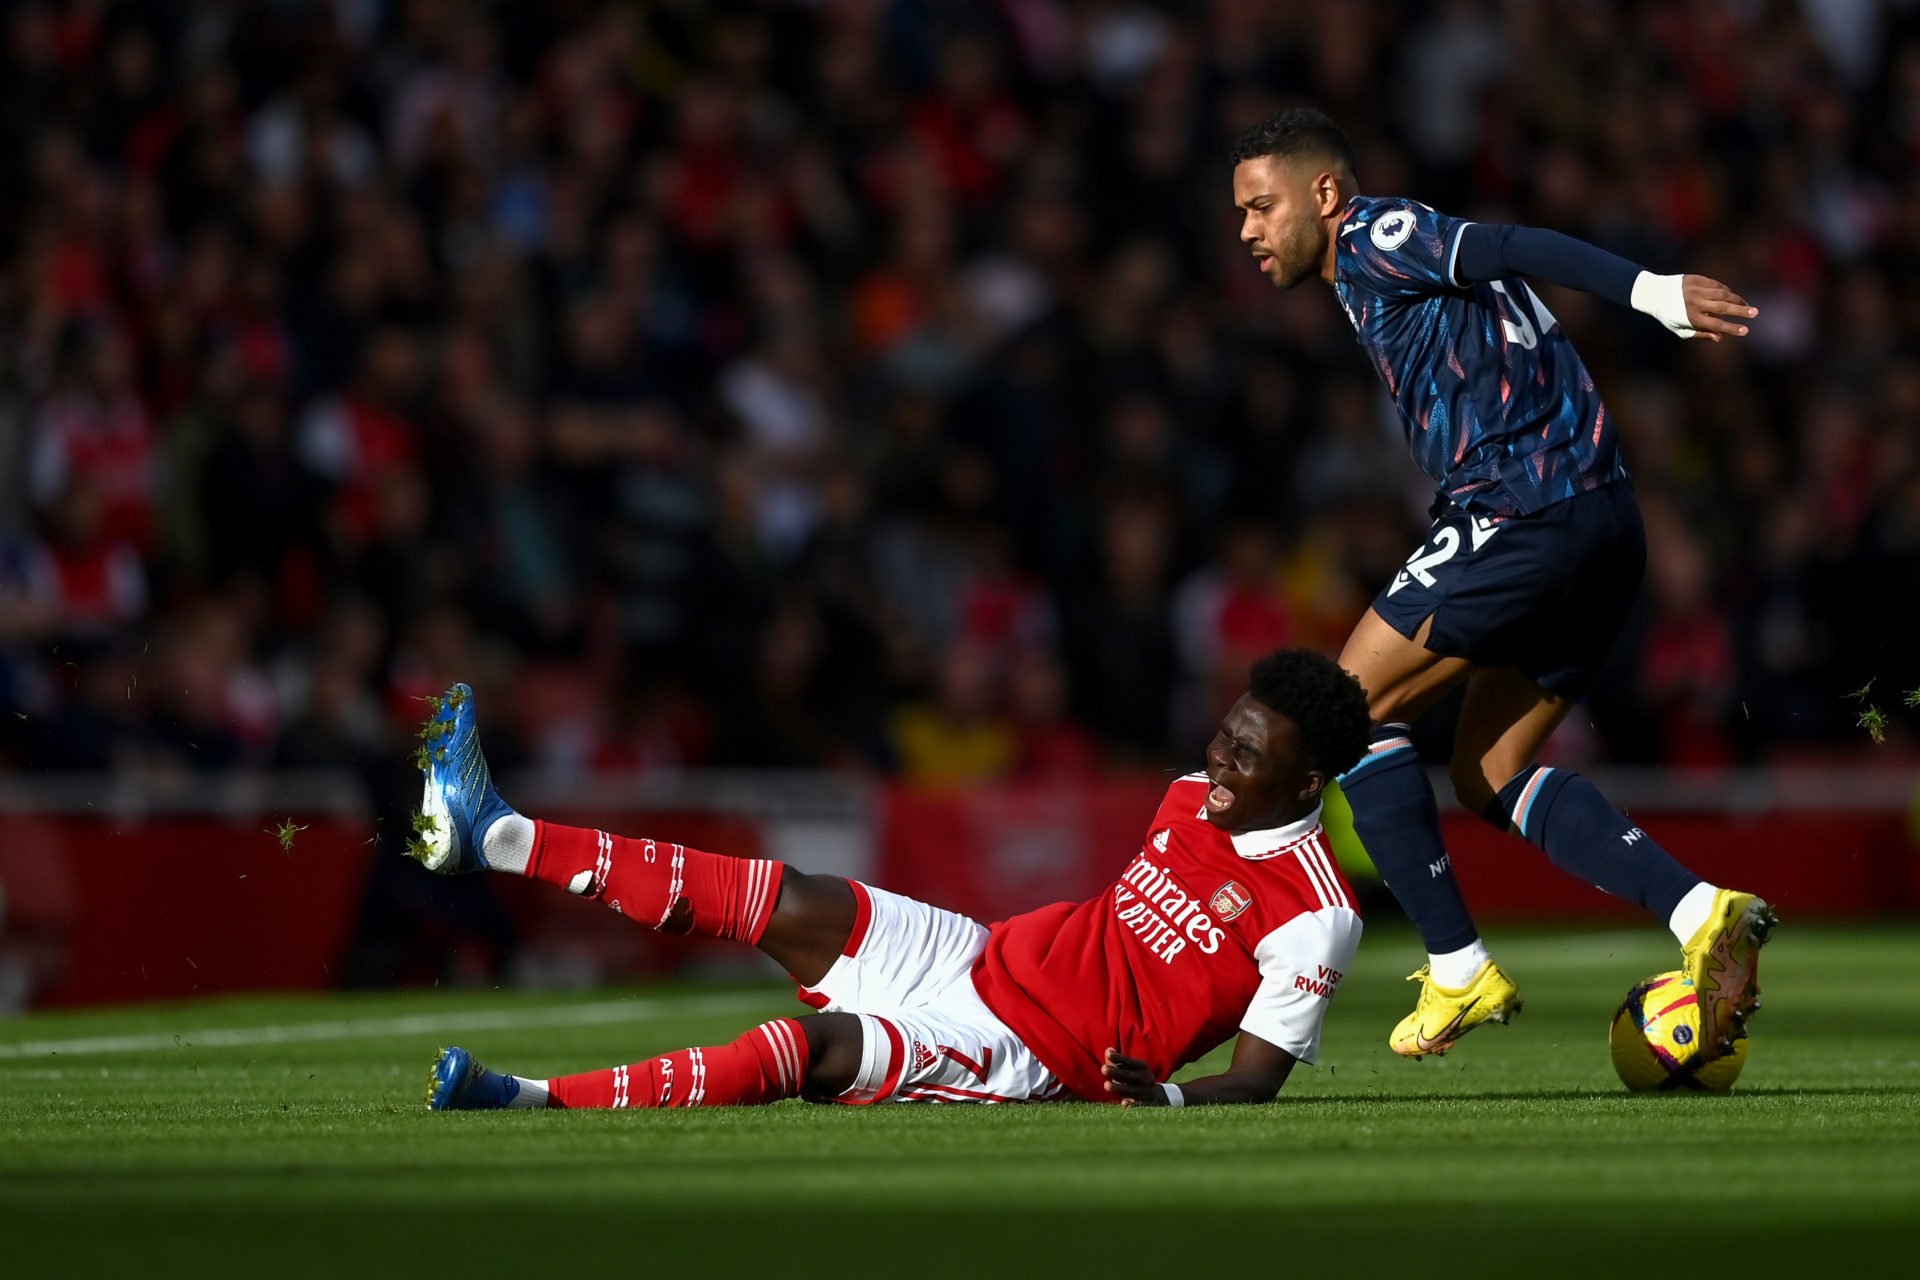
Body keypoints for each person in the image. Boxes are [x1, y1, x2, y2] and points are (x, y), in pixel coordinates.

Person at [1229, 107, 1773, 1059]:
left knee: (1341, 710)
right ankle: (1699, 910)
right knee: (1490, 772)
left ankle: (1456, 968)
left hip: (1521, 508)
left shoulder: (1373, 233)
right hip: (1605, 521)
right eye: (1240, 212)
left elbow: (1511, 242)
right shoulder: (1367, 274)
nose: (1247, 231)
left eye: (1262, 206)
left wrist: (1650, 292)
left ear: (1323, 194)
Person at [409, 649, 1371, 1110]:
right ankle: (499, 837)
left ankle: (529, 1099)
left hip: (1032, 1051)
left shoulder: (1315, 913)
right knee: (794, 898)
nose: (1218, 762)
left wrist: (1160, 1099)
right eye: (1225, 735)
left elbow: (1254, 1084)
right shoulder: (1188, 793)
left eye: (1246, 756)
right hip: (984, 957)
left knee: (812, 1044)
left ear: (1308, 782)